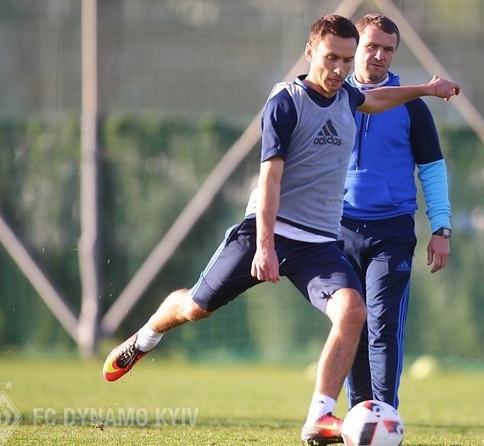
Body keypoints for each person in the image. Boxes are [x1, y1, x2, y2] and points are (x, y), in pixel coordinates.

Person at [102, 14, 459, 446]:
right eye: (331, 58)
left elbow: (378, 99)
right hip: (266, 231)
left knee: (353, 312)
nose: (339, 69)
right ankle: (145, 337)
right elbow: (270, 180)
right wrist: (265, 246)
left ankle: (320, 417)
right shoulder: (286, 102)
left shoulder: (349, 96)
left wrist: (426, 90)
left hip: (318, 243)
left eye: (346, 60)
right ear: (310, 52)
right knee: (196, 307)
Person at [340, 13, 452, 410]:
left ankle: (385, 414)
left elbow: (433, 169)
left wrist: (441, 228)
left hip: (392, 231)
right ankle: (360, 414)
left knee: (383, 324)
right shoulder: (331, 98)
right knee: (351, 321)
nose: (379, 55)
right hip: (338, 230)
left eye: (388, 49)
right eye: (372, 46)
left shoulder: (411, 106)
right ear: (355, 48)